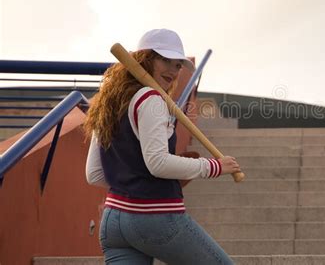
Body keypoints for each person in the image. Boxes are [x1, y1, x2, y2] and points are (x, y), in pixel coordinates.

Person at [84, 28, 241, 264]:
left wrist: (132, 183)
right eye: (164, 59)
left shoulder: (107, 103)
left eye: (178, 64)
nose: (173, 69)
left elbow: (94, 174)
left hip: (114, 221)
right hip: (154, 217)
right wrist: (215, 166)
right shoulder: (150, 99)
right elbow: (157, 163)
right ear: (145, 58)